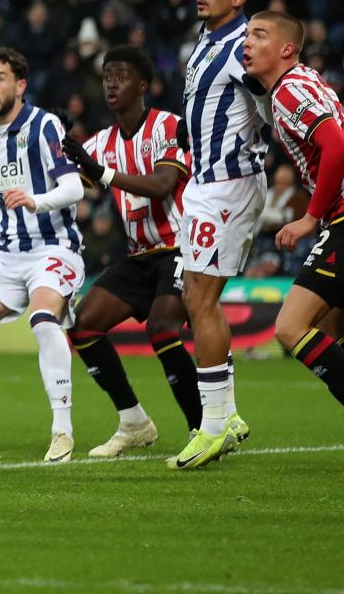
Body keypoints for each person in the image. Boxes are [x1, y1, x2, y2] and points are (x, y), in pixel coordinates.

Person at [0, 47, 86, 463]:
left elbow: (74, 188)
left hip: (54, 248)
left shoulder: (45, 125)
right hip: (5, 254)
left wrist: (35, 201)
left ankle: (62, 430)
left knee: (43, 320)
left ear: (20, 85)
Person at [61, 46, 201, 456]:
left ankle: (201, 430)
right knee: (82, 326)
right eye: (106, 75)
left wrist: (98, 171)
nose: (110, 82)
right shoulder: (101, 141)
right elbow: (72, 180)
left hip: (180, 248)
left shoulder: (168, 127)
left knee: (161, 329)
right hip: (139, 255)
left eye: (120, 75)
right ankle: (134, 421)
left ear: (142, 84)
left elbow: (161, 185)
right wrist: (51, 141)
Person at [241, 11, 344, 481]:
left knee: (291, 328)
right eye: (248, 34)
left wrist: (311, 215)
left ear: (287, 49)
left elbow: (335, 147)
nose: (248, 43)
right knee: (337, 322)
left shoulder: (290, 90)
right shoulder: (301, 82)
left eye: (259, 35)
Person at [170, 0, 264, 470]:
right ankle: (225, 415)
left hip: (229, 185)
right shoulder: (205, 42)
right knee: (196, 298)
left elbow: (269, 102)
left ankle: (213, 425)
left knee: (200, 299)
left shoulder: (243, 45)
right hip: (205, 184)